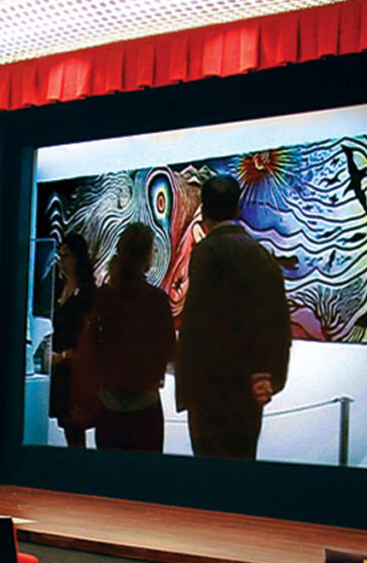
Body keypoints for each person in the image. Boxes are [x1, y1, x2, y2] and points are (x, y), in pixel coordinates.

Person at [175, 173, 291, 460]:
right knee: (242, 468)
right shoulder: (263, 257)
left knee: (210, 474)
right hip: (249, 391)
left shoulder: (207, 253)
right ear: (237, 208)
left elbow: (197, 326)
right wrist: (272, 378)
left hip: (210, 393)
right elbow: (279, 326)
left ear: (204, 210)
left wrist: (186, 387)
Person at [83, 222, 175, 452]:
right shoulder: (156, 300)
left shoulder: (104, 297)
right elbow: (169, 349)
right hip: (145, 406)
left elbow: (93, 346)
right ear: (147, 255)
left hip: (108, 404)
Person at [48, 232, 97, 447]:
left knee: (76, 428)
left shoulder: (87, 294)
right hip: (59, 370)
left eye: (66, 256)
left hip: (76, 371)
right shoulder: (58, 288)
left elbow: (88, 338)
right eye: (60, 256)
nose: (61, 261)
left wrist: (64, 356)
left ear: (78, 258)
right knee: (68, 427)